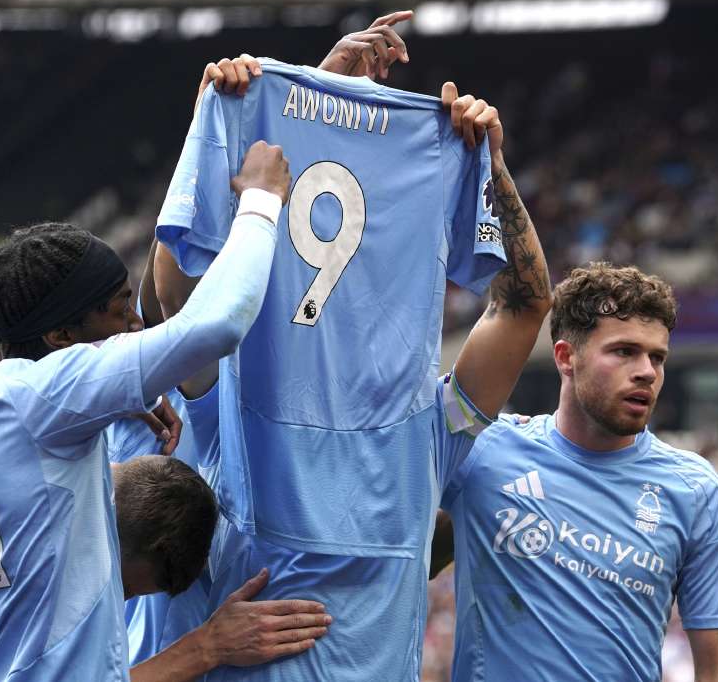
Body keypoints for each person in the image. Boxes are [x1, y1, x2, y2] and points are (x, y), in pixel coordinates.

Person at [156, 49, 554, 678]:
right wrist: (267, 112)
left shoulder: (432, 426)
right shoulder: (228, 403)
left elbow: (527, 305)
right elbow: (180, 297)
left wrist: (492, 169)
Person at [0, 137, 313, 680]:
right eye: (115, 312)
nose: (132, 326)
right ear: (60, 337)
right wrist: (262, 201)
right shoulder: (50, 398)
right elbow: (217, 324)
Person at [430, 263, 718, 682]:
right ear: (566, 357)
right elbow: (397, 552)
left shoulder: (694, 488)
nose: (647, 372)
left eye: (657, 357)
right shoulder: (487, 449)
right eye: (624, 351)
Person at [0, 456, 329, 682]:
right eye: (126, 588)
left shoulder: (52, 460)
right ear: (151, 549)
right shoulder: (20, 556)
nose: (117, 604)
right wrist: (207, 648)